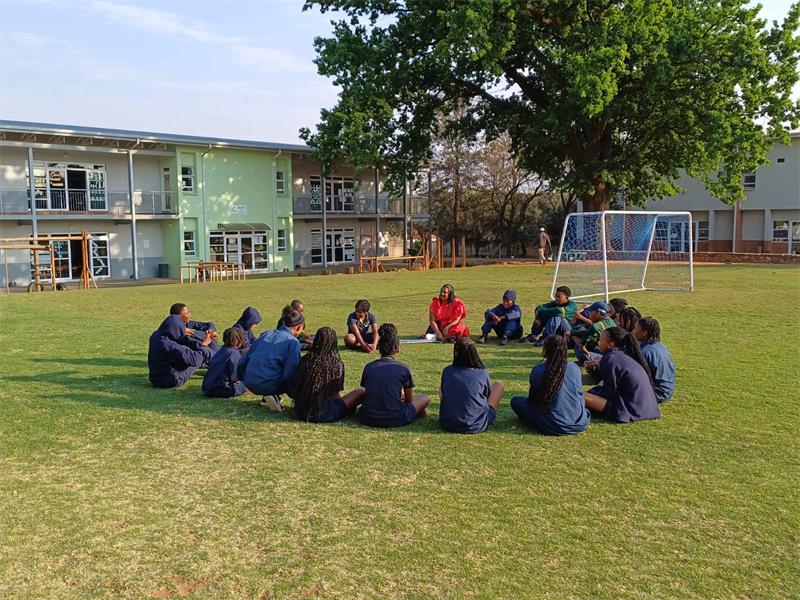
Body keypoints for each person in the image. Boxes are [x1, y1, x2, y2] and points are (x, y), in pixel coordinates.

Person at [510, 335, 590, 435]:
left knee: (515, 401)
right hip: (579, 422)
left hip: (551, 424)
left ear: (545, 351)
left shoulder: (538, 370)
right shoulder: (574, 367)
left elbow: (533, 401)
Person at [583, 327, 661, 423]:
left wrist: (592, 393)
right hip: (648, 408)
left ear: (611, 343)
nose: (598, 343)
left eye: (600, 340)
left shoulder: (610, 358)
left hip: (629, 410)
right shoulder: (625, 354)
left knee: (579, 396)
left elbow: (608, 392)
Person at [359, 323, 430, 427]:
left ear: (379, 347)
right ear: (397, 347)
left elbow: (368, 393)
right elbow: (409, 400)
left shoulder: (369, 367)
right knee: (425, 398)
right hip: (394, 418)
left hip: (368, 417)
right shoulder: (403, 369)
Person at [291, 327, 366, 422]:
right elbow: (335, 395)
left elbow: (296, 387)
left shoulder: (305, 360)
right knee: (360, 392)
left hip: (301, 411)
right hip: (325, 413)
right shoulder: (336, 364)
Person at [238, 309, 304, 411]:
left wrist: (242, 378)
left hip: (249, 380)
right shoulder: (292, 342)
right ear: (299, 327)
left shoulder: (266, 333)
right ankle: (271, 393)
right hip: (267, 383)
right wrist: (295, 393)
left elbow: (244, 359)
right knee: (292, 370)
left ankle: (268, 396)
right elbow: (291, 372)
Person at [439, 338, 504, 433]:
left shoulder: (448, 371)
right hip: (477, 424)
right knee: (499, 385)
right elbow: (487, 395)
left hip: (447, 423)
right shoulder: (482, 373)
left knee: (442, 388)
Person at [148, 314, 213, 388]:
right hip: (172, 380)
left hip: (154, 378)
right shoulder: (170, 345)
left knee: (193, 355)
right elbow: (195, 359)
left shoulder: (155, 336)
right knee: (200, 357)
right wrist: (204, 344)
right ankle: (217, 365)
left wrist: (181, 331)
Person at [634, 317, 676, 403]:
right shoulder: (660, 345)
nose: (634, 331)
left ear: (644, 333)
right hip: (668, 389)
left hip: (657, 393)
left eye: (636, 328)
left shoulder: (644, 352)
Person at [202, 327, 247, 398]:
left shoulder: (221, 350)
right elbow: (234, 378)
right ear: (240, 340)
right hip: (220, 390)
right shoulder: (234, 353)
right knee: (246, 383)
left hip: (206, 387)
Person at [567, 301, 615, 365]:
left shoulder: (595, 326)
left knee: (577, 343)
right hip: (612, 354)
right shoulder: (611, 321)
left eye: (591, 311)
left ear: (598, 313)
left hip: (603, 355)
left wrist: (573, 334)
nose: (589, 314)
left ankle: (587, 360)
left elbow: (582, 345)